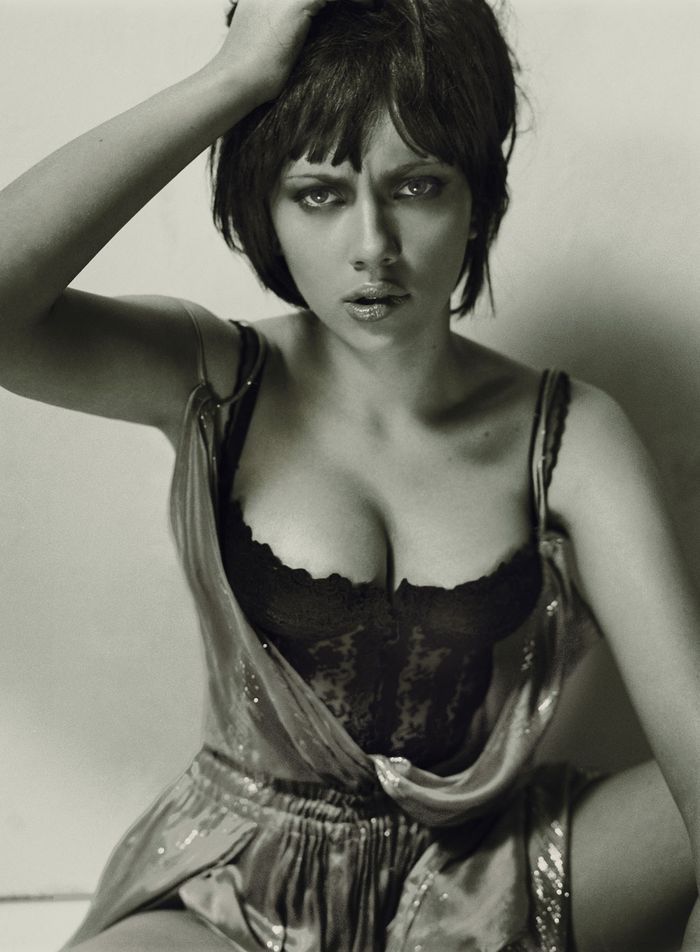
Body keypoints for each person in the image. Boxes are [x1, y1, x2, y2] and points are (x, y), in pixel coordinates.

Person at [0, 0, 698, 949]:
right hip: (239, 886)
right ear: (266, 208)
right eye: (320, 194)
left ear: (477, 196)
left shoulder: (571, 434)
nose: (373, 245)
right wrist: (232, 79)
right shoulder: (217, 380)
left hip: (484, 872)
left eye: (418, 186)